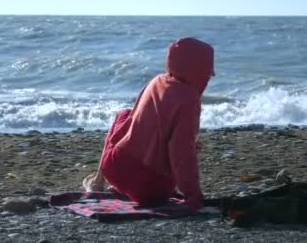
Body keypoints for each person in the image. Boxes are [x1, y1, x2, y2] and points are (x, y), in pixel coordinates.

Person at [83, 37, 215, 212]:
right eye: (208, 71)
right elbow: (181, 152)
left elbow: (138, 123)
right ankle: (126, 186)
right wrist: (192, 195)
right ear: (198, 70)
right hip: (148, 188)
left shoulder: (157, 81)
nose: (210, 76)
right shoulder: (189, 98)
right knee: (186, 146)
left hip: (114, 167)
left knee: (124, 115)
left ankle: (99, 181)